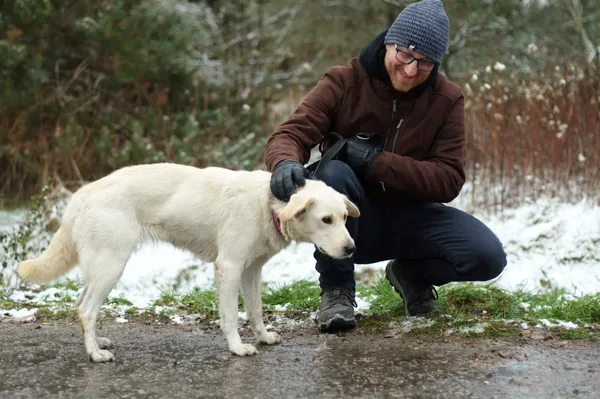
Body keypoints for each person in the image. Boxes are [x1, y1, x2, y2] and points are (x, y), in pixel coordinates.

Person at [264, 0, 507, 332]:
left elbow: (449, 180)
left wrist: (376, 161)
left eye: (423, 64)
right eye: (405, 55)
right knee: (333, 173)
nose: (410, 70)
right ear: (389, 43)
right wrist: (285, 162)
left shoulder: (447, 100)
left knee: (487, 256)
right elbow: (291, 133)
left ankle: (410, 275)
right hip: (349, 223)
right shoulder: (344, 80)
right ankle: (337, 292)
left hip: (411, 218)